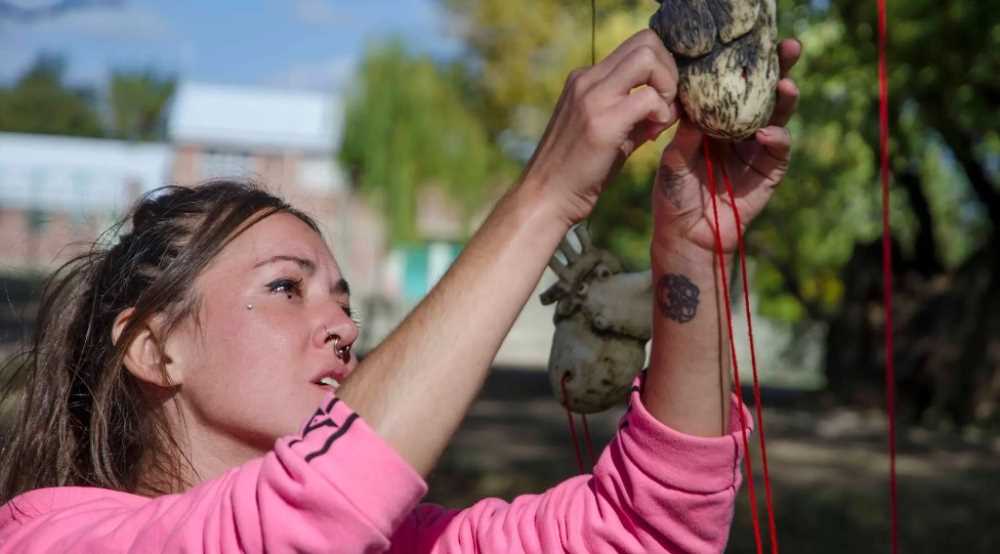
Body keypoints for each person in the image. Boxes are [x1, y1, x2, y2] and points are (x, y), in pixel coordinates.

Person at [0, 30, 800, 553]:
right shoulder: (57, 537)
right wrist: (545, 195)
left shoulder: (395, 541)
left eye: (344, 301)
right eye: (286, 287)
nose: (342, 328)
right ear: (154, 346)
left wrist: (691, 253)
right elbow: (294, 520)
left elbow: (645, 531)